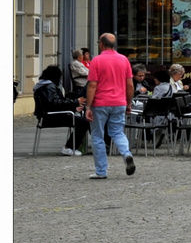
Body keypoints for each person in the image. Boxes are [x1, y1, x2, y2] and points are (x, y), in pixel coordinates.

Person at [84, 32, 136, 179]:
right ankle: (126, 154)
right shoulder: (124, 60)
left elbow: (92, 85)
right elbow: (130, 84)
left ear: (101, 43)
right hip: (119, 102)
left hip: (100, 103)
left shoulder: (97, 61)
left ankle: (101, 171)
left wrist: (88, 106)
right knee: (118, 132)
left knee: (97, 136)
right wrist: (128, 102)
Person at [33, 64, 89, 155]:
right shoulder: (49, 87)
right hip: (52, 117)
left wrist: (74, 107)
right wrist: (76, 102)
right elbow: (56, 104)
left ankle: (72, 146)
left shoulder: (41, 85)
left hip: (46, 116)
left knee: (82, 121)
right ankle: (69, 147)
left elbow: (55, 103)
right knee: (84, 122)